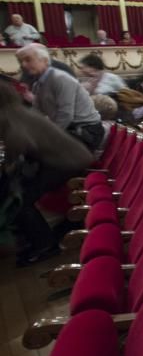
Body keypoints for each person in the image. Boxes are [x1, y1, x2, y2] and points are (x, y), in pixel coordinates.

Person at [0, 80, 93, 265]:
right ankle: (35, 239)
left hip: (66, 162)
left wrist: (9, 161)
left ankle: (45, 245)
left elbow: (20, 142)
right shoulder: (16, 110)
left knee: (21, 199)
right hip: (63, 160)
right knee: (17, 191)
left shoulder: (8, 115)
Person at [16, 44, 104, 152]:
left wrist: (47, 137)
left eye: (28, 60)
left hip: (86, 131)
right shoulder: (37, 84)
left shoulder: (60, 78)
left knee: (41, 153)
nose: (23, 64)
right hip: (68, 128)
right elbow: (37, 112)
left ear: (44, 60)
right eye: (21, 61)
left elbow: (65, 115)